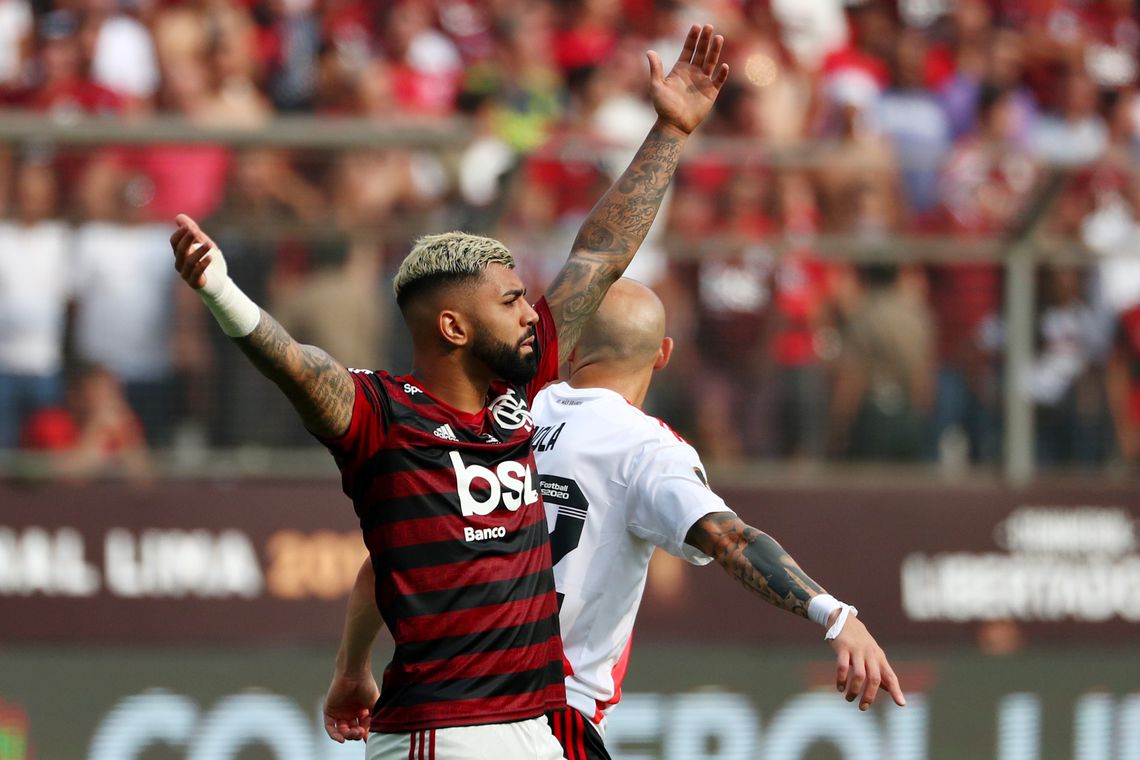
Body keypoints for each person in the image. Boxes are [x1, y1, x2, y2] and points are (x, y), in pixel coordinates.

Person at [171, 24, 729, 760]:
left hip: (533, 727)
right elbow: (298, 366)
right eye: (511, 301)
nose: (530, 313)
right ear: (454, 327)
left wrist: (670, 132)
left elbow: (598, 254)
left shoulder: (519, 393)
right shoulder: (383, 416)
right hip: (446, 733)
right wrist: (219, 290)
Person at [326, 280, 906, 759]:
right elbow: (731, 540)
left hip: (471, 705)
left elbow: (392, 558)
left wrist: (351, 668)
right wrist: (833, 614)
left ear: (573, 347)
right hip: (551, 714)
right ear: (664, 354)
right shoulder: (647, 449)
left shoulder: (505, 413)